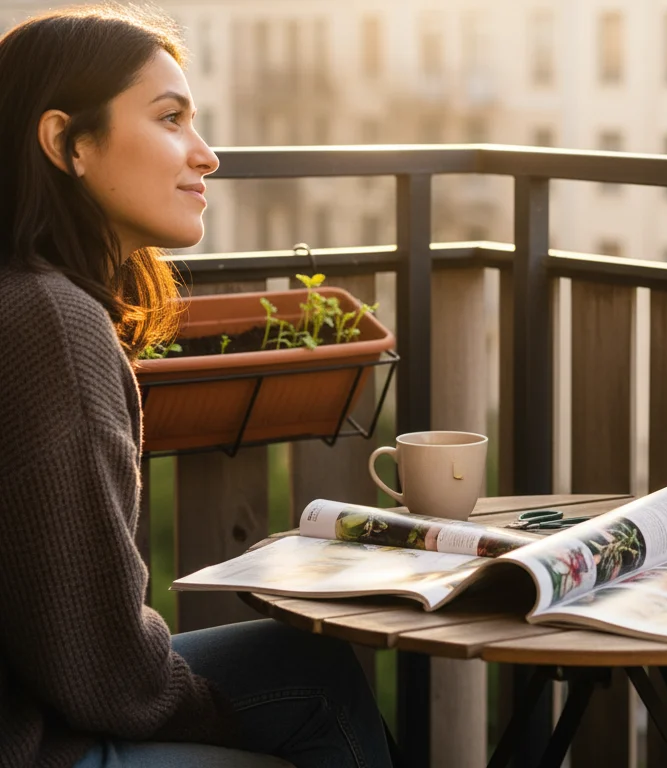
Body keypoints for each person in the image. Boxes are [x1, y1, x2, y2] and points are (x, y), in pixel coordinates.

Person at [0, 6, 394, 767]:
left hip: (39, 691)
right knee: (308, 707)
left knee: (312, 666)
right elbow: (100, 666)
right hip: (30, 739)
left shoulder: (30, 296)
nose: (206, 155)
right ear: (66, 143)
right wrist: (217, 719)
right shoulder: (50, 323)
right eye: (170, 118)